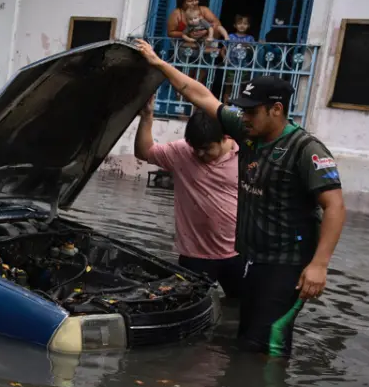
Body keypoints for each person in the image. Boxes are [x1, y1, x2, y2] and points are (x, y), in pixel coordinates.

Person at [134, 39, 347, 358]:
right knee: (245, 338)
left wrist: (319, 265)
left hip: (288, 265)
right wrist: (158, 63)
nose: (242, 117)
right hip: (253, 260)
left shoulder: (306, 150)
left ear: (276, 110)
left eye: (251, 111)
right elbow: (200, 95)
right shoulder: (249, 134)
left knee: (267, 346)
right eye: (242, 111)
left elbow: (335, 207)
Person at [134, 101, 241, 298]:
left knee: (241, 307)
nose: (199, 154)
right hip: (195, 255)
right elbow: (143, 152)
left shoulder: (245, 156)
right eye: (195, 148)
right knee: (188, 304)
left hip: (237, 253)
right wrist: (147, 117)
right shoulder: (182, 152)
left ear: (225, 138)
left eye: (206, 148)